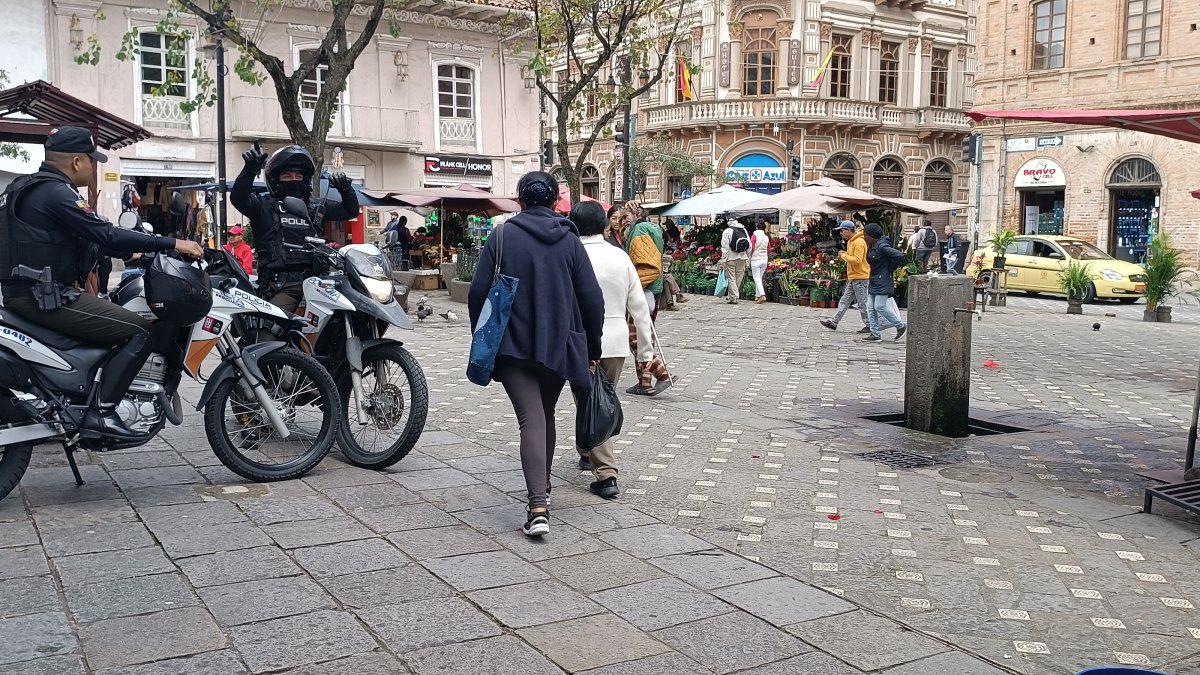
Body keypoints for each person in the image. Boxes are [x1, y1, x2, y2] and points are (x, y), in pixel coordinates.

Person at [0, 126, 203, 437]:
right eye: (93, 161)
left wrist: (136, 255)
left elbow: (87, 239)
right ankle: (102, 411)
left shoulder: (33, 188)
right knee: (139, 331)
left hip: (33, 293)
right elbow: (105, 232)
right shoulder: (56, 193)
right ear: (77, 161)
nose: (95, 167)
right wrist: (172, 243)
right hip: (44, 297)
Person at [467, 172, 604, 537]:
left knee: (531, 419)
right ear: (555, 201)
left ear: (520, 200)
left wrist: (482, 338)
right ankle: (543, 494)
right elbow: (592, 299)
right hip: (559, 345)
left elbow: (477, 292)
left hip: (511, 347)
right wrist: (593, 348)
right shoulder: (569, 239)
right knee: (544, 414)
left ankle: (538, 506)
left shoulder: (502, 236)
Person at [570, 201, 654, 499]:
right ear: (606, 225)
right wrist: (645, 353)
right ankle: (586, 448)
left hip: (577, 341)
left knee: (593, 398)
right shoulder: (620, 257)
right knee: (597, 397)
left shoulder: (570, 254)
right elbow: (640, 308)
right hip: (615, 341)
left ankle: (606, 473)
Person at [232, 144, 359, 316]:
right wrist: (249, 171)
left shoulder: (316, 207)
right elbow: (239, 199)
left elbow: (349, 210)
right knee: (270, 334)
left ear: (305, 180)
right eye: (287, 175)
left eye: (298, 175)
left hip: (319, 283)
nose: (294, 179)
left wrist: (346, 189)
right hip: (281, 286)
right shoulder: (263, 206)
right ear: (276, 179)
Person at [821, 221, 871, 333]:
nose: (841, 233)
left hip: (860, 277)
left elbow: (857, 260)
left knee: (863, 303)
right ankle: (834, 322)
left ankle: (870, 325)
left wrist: (843, 255)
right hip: (854, 277)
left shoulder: (858, 242)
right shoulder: (851, 241)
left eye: (842, 230)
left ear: (848, 230)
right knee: (844, 300)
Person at [863, 223, 907, 343]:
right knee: (870, 307)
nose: (864, 237)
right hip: (874, 279)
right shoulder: (872, 245)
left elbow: (898, 255)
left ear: (872, 236)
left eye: (865, 235)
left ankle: (900, 326)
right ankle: (875, 333)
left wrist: (890, 269)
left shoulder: (882, 246)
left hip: (883, 280)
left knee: (879, 306)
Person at [719, 216, 750, 304]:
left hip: (731, 257)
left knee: (731, 277)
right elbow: (749, 245)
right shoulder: (744, 230)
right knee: (739, 277)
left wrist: (723, 260)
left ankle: (734, 297)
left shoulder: (727, 231)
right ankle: (732, 295)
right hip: (743, 257)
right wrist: (747, 257)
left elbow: (725, 247)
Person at [749, 221, 770, 304]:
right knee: (759, 278)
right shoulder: (766, 237)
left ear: (756, 227)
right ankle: (757, 296)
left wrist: (749, 255)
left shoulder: (754, 236)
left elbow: (752, 247)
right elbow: (769, 249)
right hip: (764, 259)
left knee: (756, 277)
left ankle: (762, 295)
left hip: (755, 259)